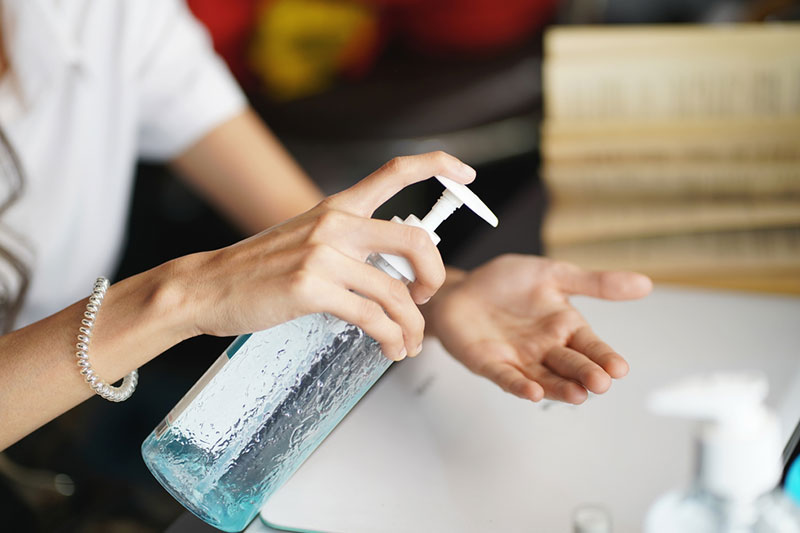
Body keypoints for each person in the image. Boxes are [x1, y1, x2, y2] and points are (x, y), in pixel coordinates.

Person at [0, 0, 651, 452]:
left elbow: (273, 192)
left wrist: (441, 288)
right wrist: (180, 298)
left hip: (71, 427)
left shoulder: (93, 14)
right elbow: (191, 295)